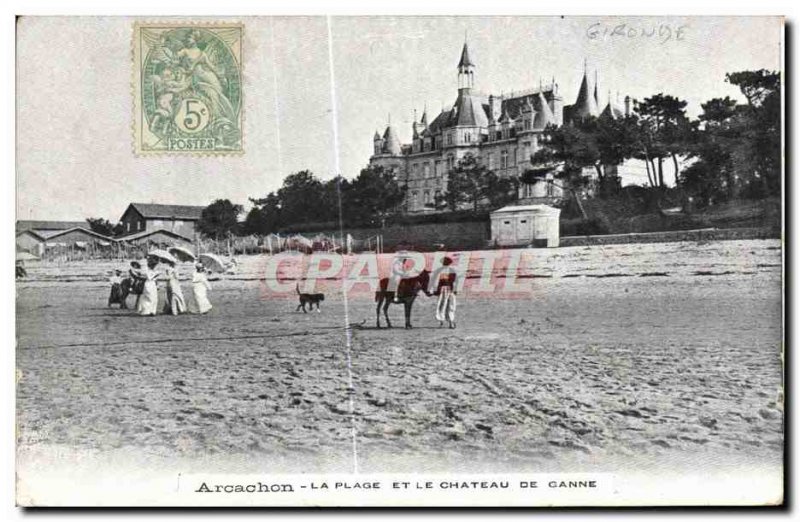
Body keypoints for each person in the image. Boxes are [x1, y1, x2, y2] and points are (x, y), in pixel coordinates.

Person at [434, 256, 457, 329]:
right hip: (443, 289)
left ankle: (450, 322)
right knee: (443, 305)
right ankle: (443, 322)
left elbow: (455, 281)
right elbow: (436, 281)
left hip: (449, 289)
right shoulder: (439, 271)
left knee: (450, 305)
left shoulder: (451, 271)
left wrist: (454, 290)